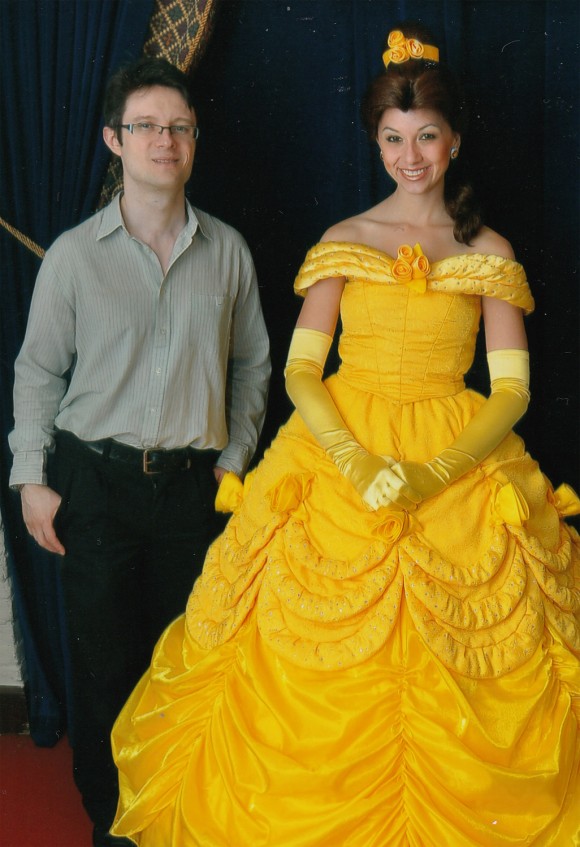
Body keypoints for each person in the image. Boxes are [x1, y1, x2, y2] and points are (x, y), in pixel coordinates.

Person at [110, 25, 579, 846]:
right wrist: (354, 457)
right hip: (338, 450)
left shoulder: (488, 250)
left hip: (456, 458)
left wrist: (437, 473)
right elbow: (299, 372)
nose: (410, 156)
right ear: (375, 141)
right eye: (393, 139)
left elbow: (512, 389)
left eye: (425, 137)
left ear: (454, 140)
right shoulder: (344, 241)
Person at [9, 57, 270, 847]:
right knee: (103, 673)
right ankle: (111, 823)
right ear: (113, 140)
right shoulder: (73, 257)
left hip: (193, 491)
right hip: (96, 485)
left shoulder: (228, 253)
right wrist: (30, 478)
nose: (164, 140)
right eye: (147, 126)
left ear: (194, 141)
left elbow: (253, 365)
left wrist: (235, 457)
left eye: (179, 127)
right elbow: (37, 371)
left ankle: (175, 817)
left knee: (185, 664)